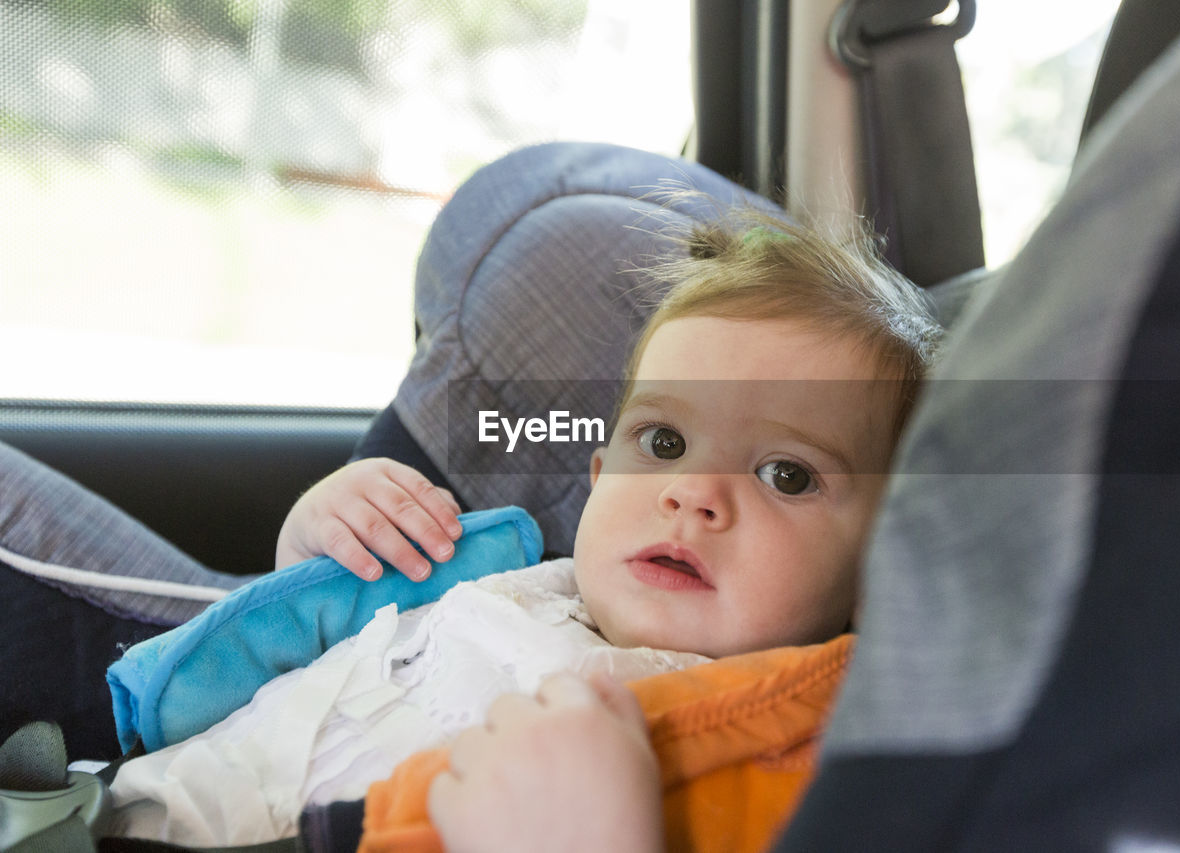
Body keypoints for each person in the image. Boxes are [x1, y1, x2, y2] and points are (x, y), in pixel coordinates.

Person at [106, 204, 942, 846]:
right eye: (665, 441)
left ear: (879, 569)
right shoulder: (496, 579)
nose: (693, 494)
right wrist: (319, 554)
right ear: (600, 478)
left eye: (784, 474)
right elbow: (294, 665)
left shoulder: (787, 764)